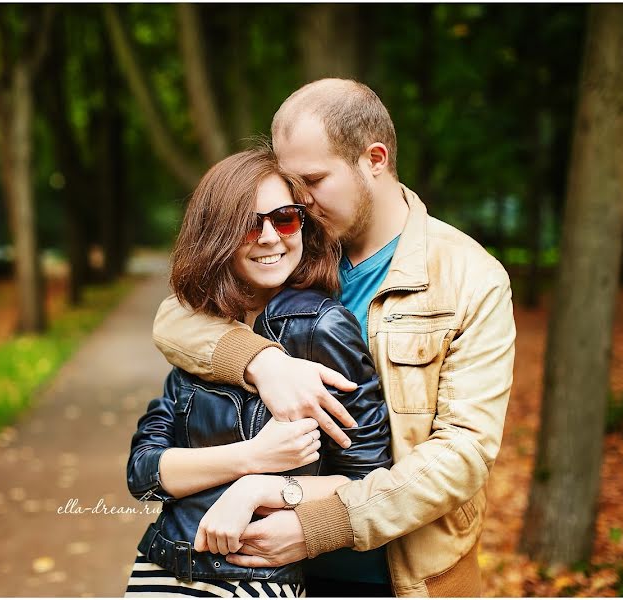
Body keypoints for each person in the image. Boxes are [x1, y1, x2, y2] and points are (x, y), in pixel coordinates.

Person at [152, 79, 517, 597]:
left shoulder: (468, 277)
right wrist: (262, 362)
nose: (298, 202)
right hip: (265, 576)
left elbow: (464, 454)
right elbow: (176, 316)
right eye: (290, 183)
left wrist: (319, 527)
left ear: (374, 159)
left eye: (314, 180)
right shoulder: (289, 241)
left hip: (403, 578)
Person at [125, 146, 392, 597]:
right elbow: (144, 473)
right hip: (160, 567)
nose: (270, 236)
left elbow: (367, 479)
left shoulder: (320, 327)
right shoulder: (203, 328)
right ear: (215, 236)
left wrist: (259, 491)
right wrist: (252, 461)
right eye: (249, 223)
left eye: (284, 218)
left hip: (253, 581)